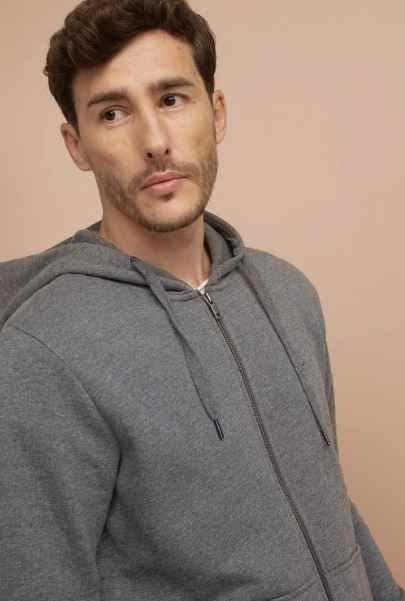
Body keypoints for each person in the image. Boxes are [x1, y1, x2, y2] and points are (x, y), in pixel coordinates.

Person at [0, 0, 402, 599]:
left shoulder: (288, 293)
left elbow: (327, 507)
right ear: (76, 145)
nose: (154, 141)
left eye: (171, 99)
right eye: (112, 113)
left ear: (216, 113)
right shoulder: (41, 355)